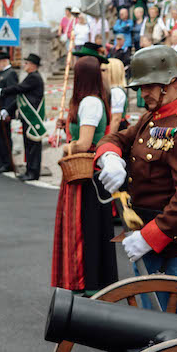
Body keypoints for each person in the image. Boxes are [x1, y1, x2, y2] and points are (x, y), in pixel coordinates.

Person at [96, 45, 177, 315]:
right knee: (149, 324)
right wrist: (110, 158)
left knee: (175, 332)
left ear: (171, 82)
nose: (143, 93)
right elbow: (116, 138)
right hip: (142, 236)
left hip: (173, 245)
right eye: (141, 87)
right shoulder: (152, 117)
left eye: (149, 86)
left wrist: (150, 237)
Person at [51, 56, 114, 295]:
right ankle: (90, 281)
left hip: (87, 172)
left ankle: (88, 282)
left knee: (85, 229)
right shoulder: (91, 101)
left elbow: (85, 142)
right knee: (89, 228)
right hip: (87, 171)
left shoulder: (90, 102)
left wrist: (68, 147)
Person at [0, 53, 45, 181]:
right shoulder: (30, 76)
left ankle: (33, 172)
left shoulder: (34, 77)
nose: (24, 65)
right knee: (28, 145)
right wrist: (7, 110)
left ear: (33, 65)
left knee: (33, 146)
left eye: (27, 63)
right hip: (27, 116)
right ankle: (29, 170)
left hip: (32, 117)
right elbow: (20, 97)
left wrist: (2, 91)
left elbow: (19, 88)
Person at [102, 58, 128, 131]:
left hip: (114, 130)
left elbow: (116, 119)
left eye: (104, 70)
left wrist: (109, 138)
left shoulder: (116, 92)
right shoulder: (114, 90)